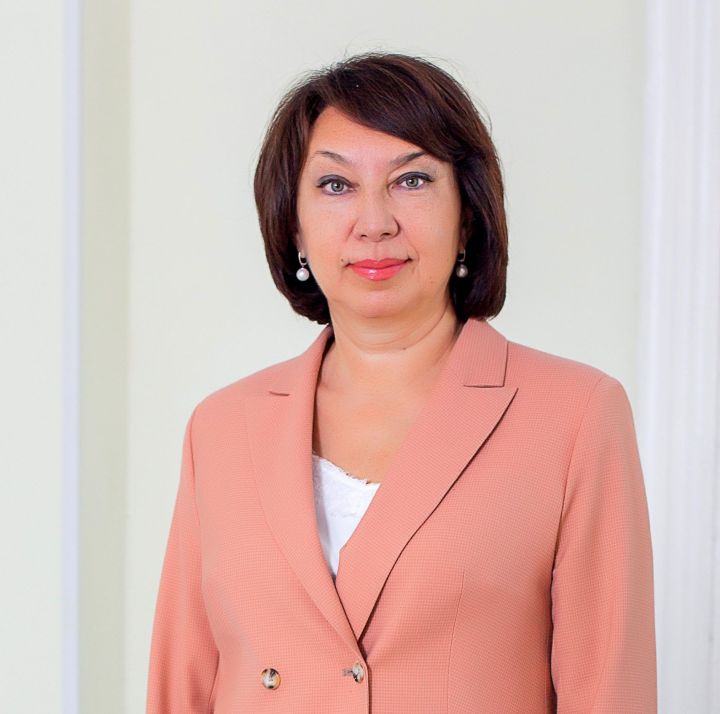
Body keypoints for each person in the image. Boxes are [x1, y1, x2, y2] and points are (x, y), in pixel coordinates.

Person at [146, 51, 657, 713]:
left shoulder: (575, 416)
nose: (375, 222)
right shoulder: (221, 427)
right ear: (293, 223)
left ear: (467, 213)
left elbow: (610, 693)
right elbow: (180, 688)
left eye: (411, 180)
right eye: (336, 185)